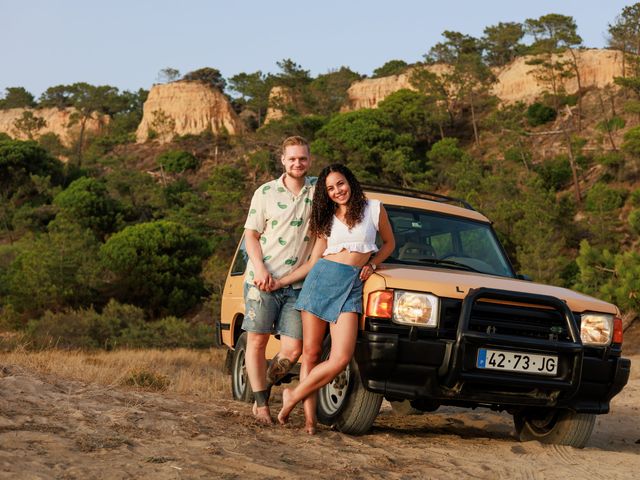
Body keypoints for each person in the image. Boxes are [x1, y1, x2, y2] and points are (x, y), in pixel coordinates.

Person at [271, 163, 395, 434]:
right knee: (312, 353)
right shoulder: (326, 219)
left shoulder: (374, 208)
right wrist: (283, 281)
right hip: (322, 280)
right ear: (325, 194)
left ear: (350, 181)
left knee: (341, 357)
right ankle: (309, 420)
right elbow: (315, 260)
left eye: (340, 184)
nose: (337, 191)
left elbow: (389, 243)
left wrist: (373, 264)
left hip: (352, 285)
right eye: (330, 188)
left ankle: (292, 395)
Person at [241, 135, 317, 424]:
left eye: (303, 158)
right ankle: (261, 405)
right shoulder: (265, 192)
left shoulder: (317, 192)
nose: (298, 163)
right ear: (283, 160)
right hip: (262, 280)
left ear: (309, 161)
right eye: (292, 158)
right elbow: (251, 234)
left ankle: (265, 385)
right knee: (257, 341)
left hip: (297, 284)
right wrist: (259, 268)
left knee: (293, 349)